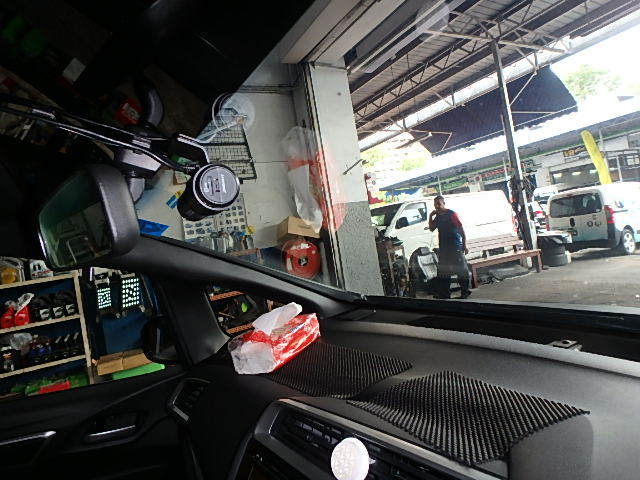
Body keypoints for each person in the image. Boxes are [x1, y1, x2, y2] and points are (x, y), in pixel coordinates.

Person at [427, 195, 471, 299]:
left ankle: (465, 292)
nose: (437, 206)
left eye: (439, 204)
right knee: (443, 271)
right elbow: (431, 228)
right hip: (444, 248)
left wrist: (464, 245)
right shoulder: (438, 217)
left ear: (444, 203)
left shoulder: (452, 214)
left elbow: (461, 230)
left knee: (461, 270)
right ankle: (444, 294)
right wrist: (430, 216)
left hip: (455, 246)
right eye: (435, 204)